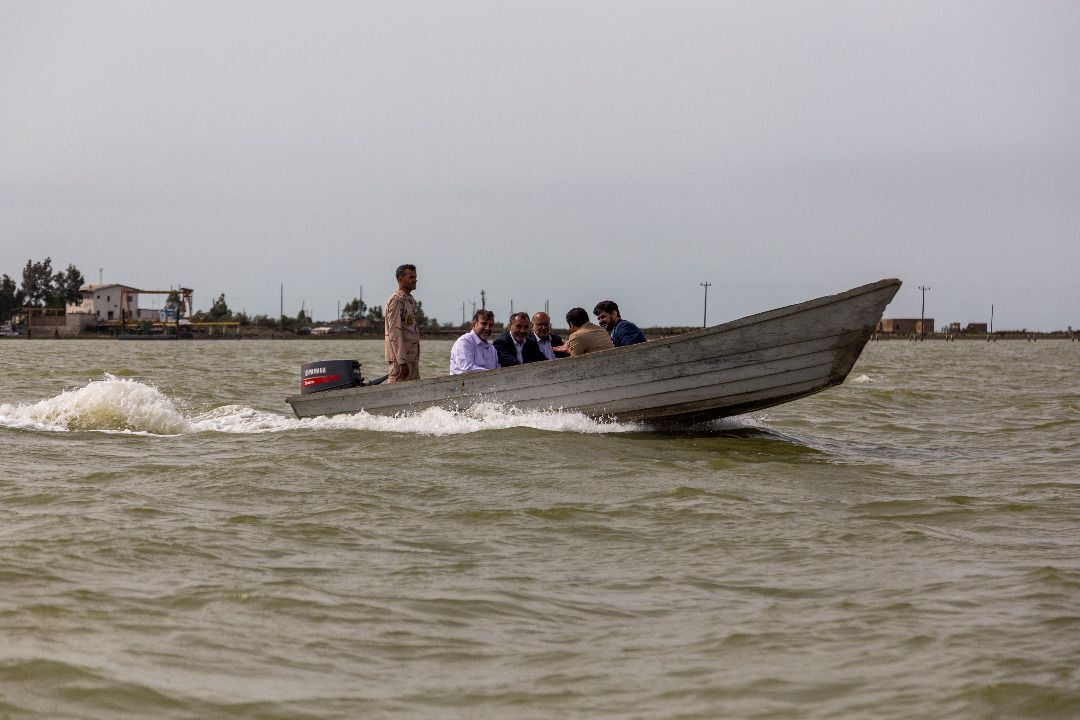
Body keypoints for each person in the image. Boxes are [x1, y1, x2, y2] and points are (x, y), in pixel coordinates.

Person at [384, 264, 420, 382]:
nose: (415, 280)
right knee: (395, 395)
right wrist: (402, 363)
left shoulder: (409, 300)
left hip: (412, 359)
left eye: (415, 277)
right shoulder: (396, 300)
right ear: (401, 279)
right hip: (401, 362)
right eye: (411, 277)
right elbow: (394, 333)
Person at [450, 309, 499, 374]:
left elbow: (497, 368)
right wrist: (493, 374)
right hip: (463, 383)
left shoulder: (492, 348)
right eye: (484, 323)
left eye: (490, 325)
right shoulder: (464, 342)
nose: (487, 328)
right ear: (474, 324)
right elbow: (467, 368)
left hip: (487, 382)